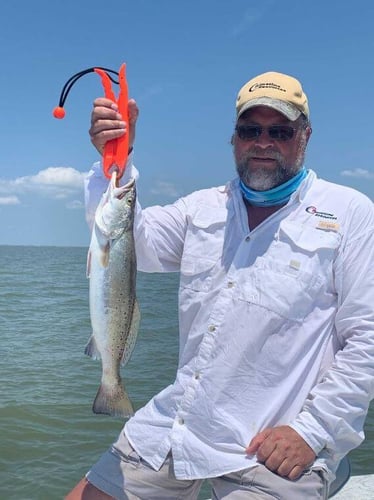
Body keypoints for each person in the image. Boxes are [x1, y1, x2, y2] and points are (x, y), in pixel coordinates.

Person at [66, 71, 374, 500]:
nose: (263, 141)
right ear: (234, 138)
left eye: (279, 131)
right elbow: (132, 243)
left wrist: (312, 430)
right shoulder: (202, 207)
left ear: (304, 136)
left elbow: (368, 339)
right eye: (250, 130)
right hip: (178, 425)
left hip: (272, 445)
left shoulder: (351, 214)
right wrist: (116, 156)